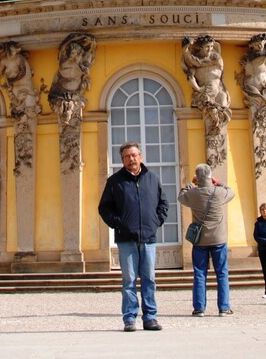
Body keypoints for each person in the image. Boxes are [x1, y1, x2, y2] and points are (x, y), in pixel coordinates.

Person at [98, 142, 169, 332]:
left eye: (134, 155)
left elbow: (163, 203)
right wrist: (118, 223)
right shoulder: (114, 182)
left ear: (141, 157)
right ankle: (129, 318)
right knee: (129, 280)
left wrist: (156, 221)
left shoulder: (152, 179)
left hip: (148, 237)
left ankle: (150, 317)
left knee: (149, 279)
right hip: (126, 239)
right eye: (127, 156)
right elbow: (104, 207)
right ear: (122, 160)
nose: (131, 159)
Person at [178, 164, 236, 317]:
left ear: (197, 178)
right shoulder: (219, 192)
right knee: (222, 273)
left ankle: (199, 308)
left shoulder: (193, 193)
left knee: (199, 274)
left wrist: (189, 184)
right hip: (219, 238)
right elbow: (231, 192)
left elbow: (181, 196)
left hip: (200, 240)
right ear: (210, 176)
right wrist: (218, 182)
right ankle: (224, 308)